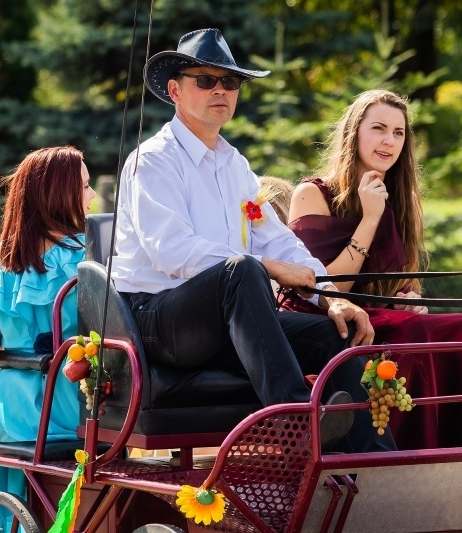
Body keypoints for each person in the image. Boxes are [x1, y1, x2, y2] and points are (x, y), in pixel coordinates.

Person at [110, 28, 393, 453]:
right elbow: (172, 251)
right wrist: (266, 268)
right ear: (175, 91)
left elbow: (278, 243)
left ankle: (375, 468)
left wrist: (331, 297)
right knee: (243, 269)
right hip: (156, 324)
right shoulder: (152, 160)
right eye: (205, 80)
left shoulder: (234, 164)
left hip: (226, 321)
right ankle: (297, 425)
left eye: (230, 82)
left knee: (338, 333)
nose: (220, 90)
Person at [286, 89, 462, 449]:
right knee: (411, 335)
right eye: (378, 128)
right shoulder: (312, 193)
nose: (388, 141)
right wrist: (369, 217)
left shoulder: (404, 198)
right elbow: (325, 288)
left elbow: (402, 281)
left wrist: (410, 297)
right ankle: (406, 456)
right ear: (354, 133)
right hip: (325, 318)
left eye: (398, 133)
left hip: (383, 317)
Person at [0, 146, 95, 502]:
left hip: (20, 415)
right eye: (84, 186)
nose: (91, 196)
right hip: (89, 409)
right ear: (59, 195)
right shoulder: (97, 254)